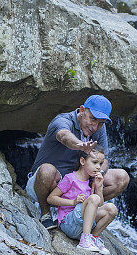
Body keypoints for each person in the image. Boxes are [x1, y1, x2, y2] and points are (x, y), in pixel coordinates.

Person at [26, 95, 129, 230]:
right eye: (92, 119)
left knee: (121, 178)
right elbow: (63, 135)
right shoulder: (63, 120)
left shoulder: (99, 128)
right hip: (46, 184)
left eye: (101, 123)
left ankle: (82, 212)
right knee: (46, 170)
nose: (95, 126)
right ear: (82, 110)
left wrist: (98, 176)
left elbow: (104, 160)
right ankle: (45, 214)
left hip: (78, 185)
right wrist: (81, 145)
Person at [48, 147, 117, 254]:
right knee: (94, 198)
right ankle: (84, 240)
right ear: (82, 161)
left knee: (111, 209)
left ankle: (93, 237)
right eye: (94, 162)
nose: (98, 167)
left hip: (84, 225)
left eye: (100, 163)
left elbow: (100, 204)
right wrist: (73, 202)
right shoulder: (70, 178)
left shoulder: (93, 181)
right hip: (69, 224)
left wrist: (99, 187)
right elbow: (51, 198)